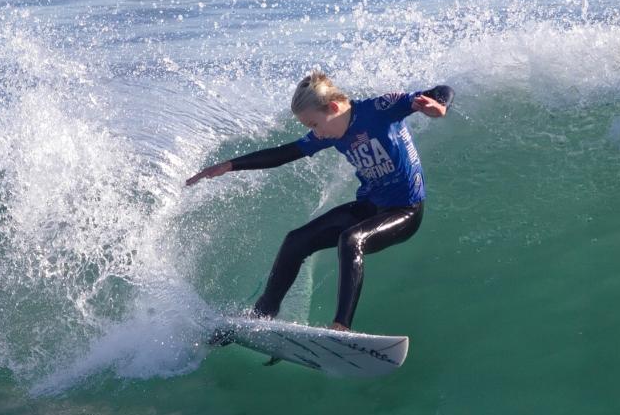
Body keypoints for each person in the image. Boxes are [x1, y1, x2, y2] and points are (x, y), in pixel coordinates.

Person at [187, 72, 454, 333]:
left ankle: (342, 325)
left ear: (334, 107)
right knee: (296, 241)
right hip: (370, 206)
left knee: (351, 240)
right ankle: (263, 313)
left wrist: (439, 105)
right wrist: (230, 165)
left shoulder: (381, 108)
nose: (316, 133)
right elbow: (285, 153)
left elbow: (442, 90)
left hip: (405, 210)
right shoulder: (329, 133)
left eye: (314, 124)